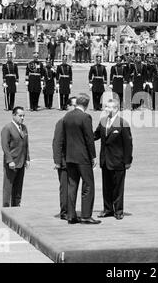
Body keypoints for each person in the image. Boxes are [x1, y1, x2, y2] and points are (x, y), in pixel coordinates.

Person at [62, 93, 101, 225]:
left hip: (70, 156)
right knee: (88, 185)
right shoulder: (85, 117)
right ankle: (85, 215)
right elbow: (89, 138)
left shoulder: (67, 116)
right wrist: (93, 156)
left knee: (72, 186)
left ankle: (71, 216)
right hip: (82, 157)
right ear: (86, 104)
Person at [94, 99, 133, 220]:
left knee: (118, 187)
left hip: (118, 161)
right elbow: (95, 135)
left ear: (116, 108)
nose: (106, 109)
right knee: (106, 187)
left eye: (109, 107)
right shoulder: (103, 121)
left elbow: (128, 144)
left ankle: (118, 210)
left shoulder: (122, 123)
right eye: (106, 107)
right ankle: (108, 209)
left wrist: (127, 161)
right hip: (105, 160)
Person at [52, 96, 77, 220]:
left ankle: (71, 210)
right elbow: (57, 143)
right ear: (67, 106)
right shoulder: (62, 122)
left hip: (75, 161)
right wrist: (57, 161)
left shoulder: (77, 121)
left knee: (73, 187)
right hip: (64, 161)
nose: (75, 108)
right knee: (65, 188)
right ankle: (65, 211)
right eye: (73, 105)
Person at [1, 106, 30, 207]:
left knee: (18, 187)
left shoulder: (24, 128)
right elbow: (5, 146)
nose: (22, 118)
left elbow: (26, 144)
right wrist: (9, 161)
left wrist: (27, 158)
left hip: (21, 162)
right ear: (13, 115)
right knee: (8, 187)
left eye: (23, 116)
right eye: (20, 115)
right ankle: (6, 207)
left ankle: (16, 206)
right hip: (12, 163)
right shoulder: (7, 128)